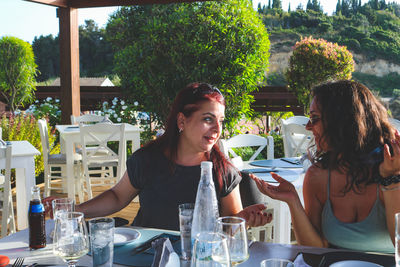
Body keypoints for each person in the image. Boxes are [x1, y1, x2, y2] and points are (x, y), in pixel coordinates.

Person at [76, 82, 272, 230]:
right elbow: (117, 197)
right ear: (182, 120)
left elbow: (229, 225)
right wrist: (74, 211)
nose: (217, 129)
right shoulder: (147, 160)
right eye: (207, 119)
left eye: (220, 121)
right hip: (145, 256)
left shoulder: (223, 170)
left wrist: (244, 219)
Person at [251, 80, 400, 253]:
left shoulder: (393, 167)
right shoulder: (318, 176)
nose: (307, 127)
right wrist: (292, 200)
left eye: (314, 118)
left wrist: (392, 178)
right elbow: (315, 249)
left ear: (343, 121)